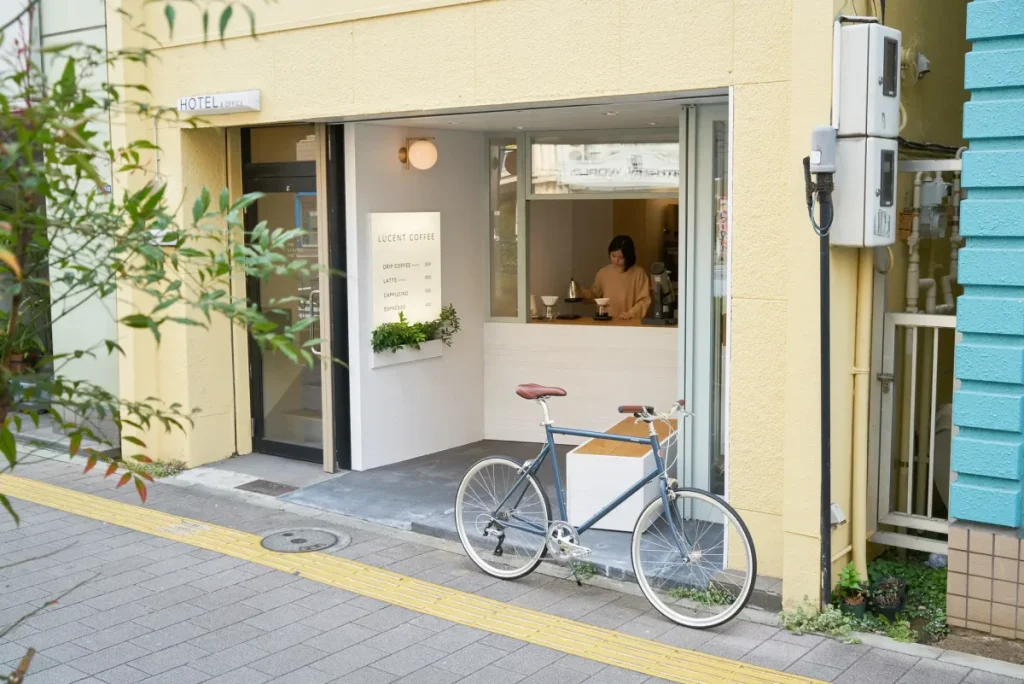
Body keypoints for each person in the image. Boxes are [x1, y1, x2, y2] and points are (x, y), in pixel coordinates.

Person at [584, 235, 651, 320]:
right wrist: (580, 292)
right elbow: (595, 296)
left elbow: (644, 300)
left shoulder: (639, 273)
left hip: (629, 322)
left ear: (628, 257)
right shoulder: (603, 272)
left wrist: (632, 313)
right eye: (613, 256)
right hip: (607, 322)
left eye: (621, 257)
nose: (616, 260)